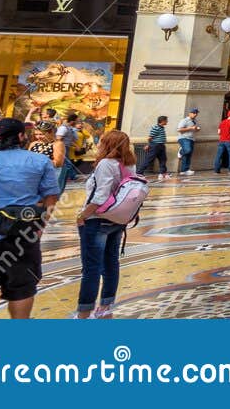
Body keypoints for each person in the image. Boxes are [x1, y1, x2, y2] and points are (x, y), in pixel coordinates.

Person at [0, 118, 62, 318]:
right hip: (21, 235)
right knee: (21, 290)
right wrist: (41, 225)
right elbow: (51, 196)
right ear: (20, 136)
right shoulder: (39, 161)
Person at [73, 130, 136, 318]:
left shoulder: (106, 164)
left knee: (91, 267)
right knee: (110, 263)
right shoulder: (129, 164)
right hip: (117, 220)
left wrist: (82, 215)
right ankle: (106, 307)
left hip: (97, 220)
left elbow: (101, 196)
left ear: (107, 144)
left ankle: (84, 312)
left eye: (102, 142)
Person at [214, 110, 230, 174]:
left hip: (221, 140)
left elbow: (219, 132)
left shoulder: (222, 122)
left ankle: (217, 169)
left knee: (219, 155)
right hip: (229, 140)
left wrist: (223, 135)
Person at [176, 109, 201, 175]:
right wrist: (190, 128)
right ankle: (181, 151)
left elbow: (193, 129)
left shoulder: (194, 121)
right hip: (184, 138)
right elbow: (179, 129)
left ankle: (184, 170)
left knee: (188, 155)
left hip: (191, 139)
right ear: (190, 113)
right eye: (194, 113)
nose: (195, 114)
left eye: (196, 113)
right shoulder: (184, 120)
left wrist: (196, 129)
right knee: (187, 150)